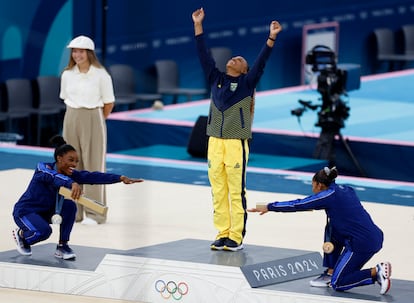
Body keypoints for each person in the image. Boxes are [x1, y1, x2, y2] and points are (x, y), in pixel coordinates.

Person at [191, 8, 282, 251]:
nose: (234, 59)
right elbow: (203, 54)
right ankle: (221, 232)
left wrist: (271, 37)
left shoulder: (246, 84)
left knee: (235, 190)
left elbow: (261, 62)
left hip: (235, 143)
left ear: (244, 70)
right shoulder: (215, 78)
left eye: (240, 60)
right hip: (214, 142)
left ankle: (236, 236)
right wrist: (198, 25)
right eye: (234, 58)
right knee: (217, 189)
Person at [247, 167, 392, 295]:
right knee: (331, 227)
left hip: (362, 243)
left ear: (320, 185)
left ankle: (376, 272)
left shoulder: (327, 196)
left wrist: (269, 207)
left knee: (339, 283)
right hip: (369, 235)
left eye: (313, 185)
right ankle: (330, 272)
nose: (312, 188)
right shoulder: (346, 189)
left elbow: (299, 204)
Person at [12, 135, 143, 260]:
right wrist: (71, 183)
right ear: (59, 158)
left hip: (47, 212)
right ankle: (22, 235)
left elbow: (92, 176)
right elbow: (53, 177)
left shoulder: (71, 174)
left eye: (76, 161)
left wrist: (120, 178)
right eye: (71, 160)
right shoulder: (43, 168)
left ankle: (62, 246)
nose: (74, 164)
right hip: (26, 211)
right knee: (43, 232)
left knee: (69, 206)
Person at [60, 35, 115, 225]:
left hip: (93, 116)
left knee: (92, 165)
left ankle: (95, 213)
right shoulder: (67, 74)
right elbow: (65, 97)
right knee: (69, 166)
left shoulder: (101, 75)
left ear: (89, 53)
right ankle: (74, 211)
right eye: (74, 51)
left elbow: (109, 102)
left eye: (81, 51)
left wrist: (96, 119)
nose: (77, 55)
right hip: (71, 116)